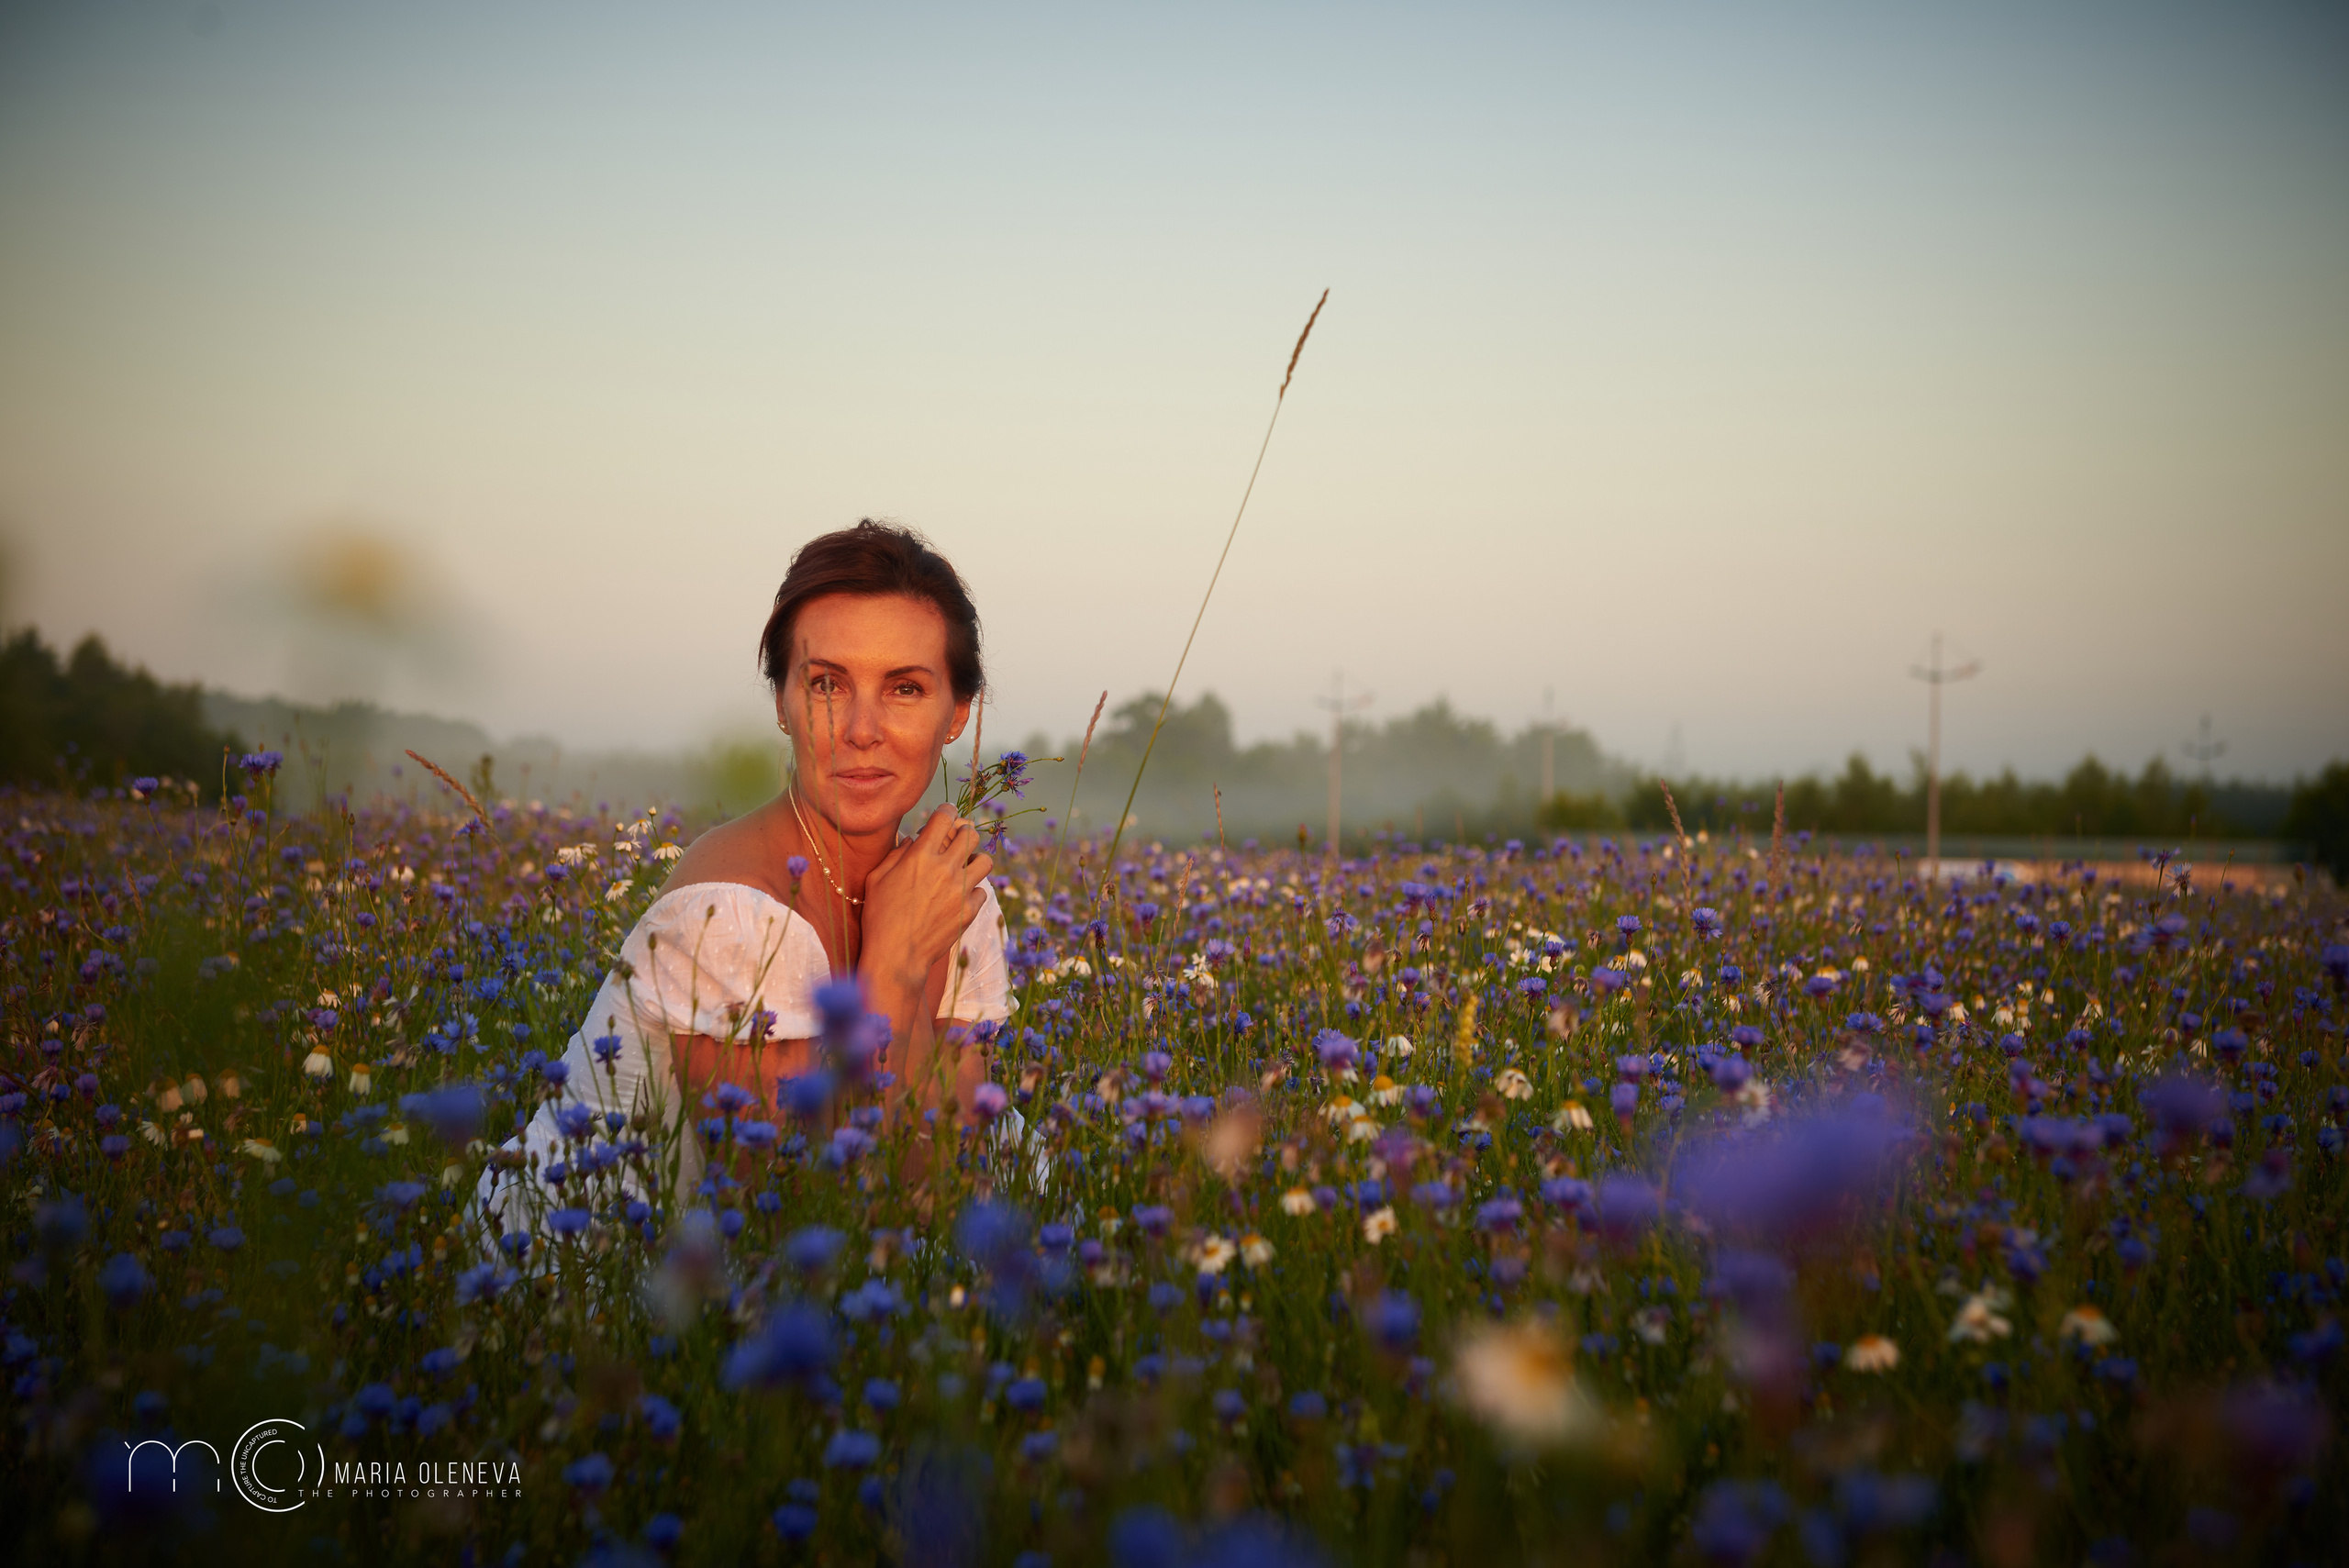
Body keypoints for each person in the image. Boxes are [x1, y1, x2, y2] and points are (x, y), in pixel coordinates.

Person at [479, 519, 1011, 1240]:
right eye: (827, 683)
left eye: (905, 688)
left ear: (957, 715)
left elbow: (938, 1178)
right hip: (594, 1277)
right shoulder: (732, 912)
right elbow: (792, 1221)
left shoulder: (946, 894)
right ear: (784, 704)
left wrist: (907, 953)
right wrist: (890, 967)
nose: (861, 728)